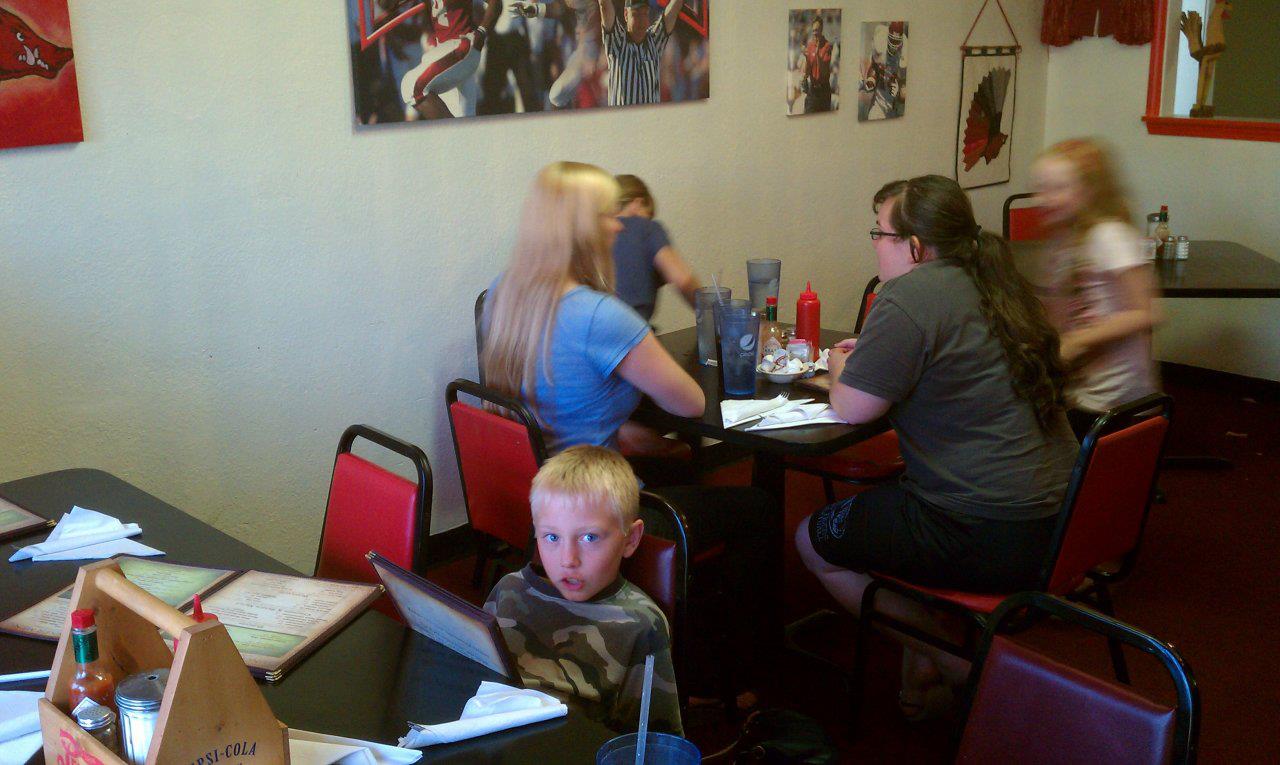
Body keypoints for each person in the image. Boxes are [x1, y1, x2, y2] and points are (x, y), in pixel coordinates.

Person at [483, 161, 778, 707]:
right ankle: (731, 675)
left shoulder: (504, 295)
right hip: (593, 503)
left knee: (672, 459)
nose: (619, 225)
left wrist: (621, 424)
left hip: (539, 495)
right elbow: (690, 402)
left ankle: (680, 610)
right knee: (756, 508)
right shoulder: (600, 316)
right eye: (607, 215)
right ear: (581, 229)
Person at [795, 175, 1079, 720]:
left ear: (915, 246)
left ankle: (963, 668)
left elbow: (852, 408)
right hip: (1062, 521)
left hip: (984, 529)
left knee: (811, 539)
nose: (875, 245)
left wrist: (841, 366)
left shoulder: (909, 295)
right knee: (893, 507)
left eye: (879, 234)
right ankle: (922, 670)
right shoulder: (995, 278)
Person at [484, 446, 682, 734]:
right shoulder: (509, 590)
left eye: (589, 537)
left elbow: (650, 740)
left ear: (630, 539)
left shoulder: (641, 626)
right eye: (552, 537)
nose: (568, 560)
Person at [1033, 138, 1162, 440]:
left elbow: (1147, 313)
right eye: (1040, 187)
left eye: (1057, 188)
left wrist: (1077, 340)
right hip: (1081, 388)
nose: (1043, 198)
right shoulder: (1065, 240)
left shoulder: (1110, 236)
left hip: (1115, 399)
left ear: (1090, 190)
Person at [612, 174, 699, 322]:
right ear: (638, 203)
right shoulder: (647, 228)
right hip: (630, 329)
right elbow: (683, 279)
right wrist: (712, 316)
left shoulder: (591, 233)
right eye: (648, 215)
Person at [400, 0, 501, 119]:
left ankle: (450, 130)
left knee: (411, 87)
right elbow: (387, 5)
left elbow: (496, 2)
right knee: (463, 120)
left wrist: (482, 32)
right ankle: (454, 130)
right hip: (446, 54)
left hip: (461, 46)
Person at [510, 0, 602, 109]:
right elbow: (562, 8)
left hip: (599, 52)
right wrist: (536, 9)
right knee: (557, 96)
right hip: (583, 51)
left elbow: (562, 8)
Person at [598, 0, 686, 106]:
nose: (641, 20)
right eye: (636, 14)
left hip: (650, 116)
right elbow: (604, 6)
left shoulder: (654, 42)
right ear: (626, 15)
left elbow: (674, 8)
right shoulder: (617, 42)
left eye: (644, 13)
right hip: (623, 116)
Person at [800, 15, 834, 113]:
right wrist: (806, 57)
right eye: (813, 30)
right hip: (813, 90)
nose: (815, 33)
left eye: (817, 30)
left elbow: (823, 71)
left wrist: (817, 53)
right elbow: (808, 71)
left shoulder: (827, 46)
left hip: (824, 91)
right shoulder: (810, 45)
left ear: (821, 29)